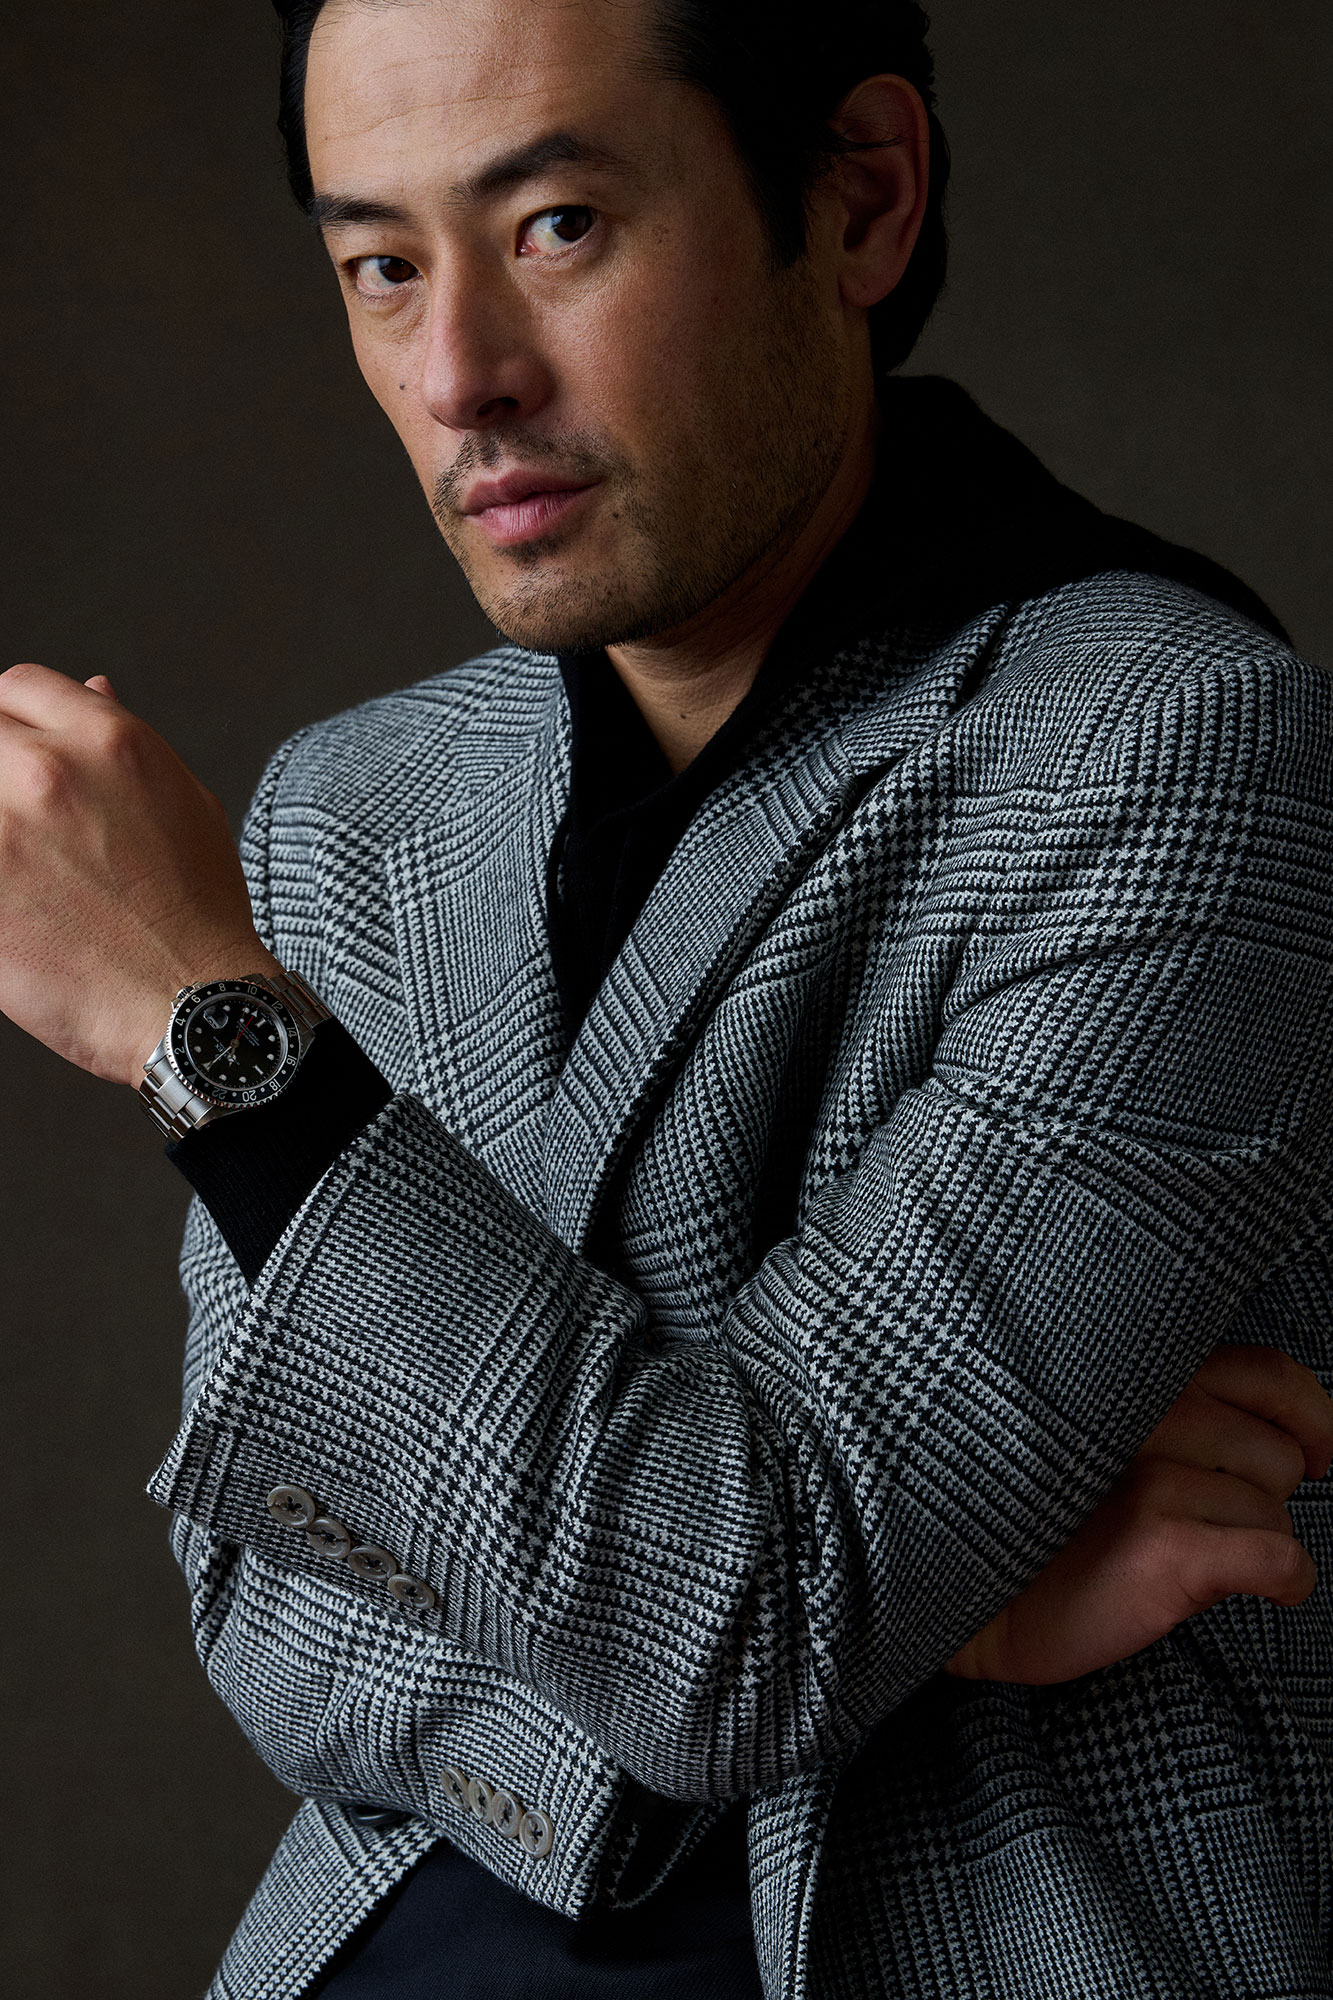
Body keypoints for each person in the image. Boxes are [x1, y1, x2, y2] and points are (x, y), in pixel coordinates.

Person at [2, 0, 1330, 1993]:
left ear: (860, 198)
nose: (456, 373)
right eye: (380, 265)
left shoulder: (1171, 753)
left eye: (556, 226)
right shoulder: (355, 809)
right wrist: (913, 1616)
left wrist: (223, 1039)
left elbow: (743, 1623)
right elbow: (259, 1608)